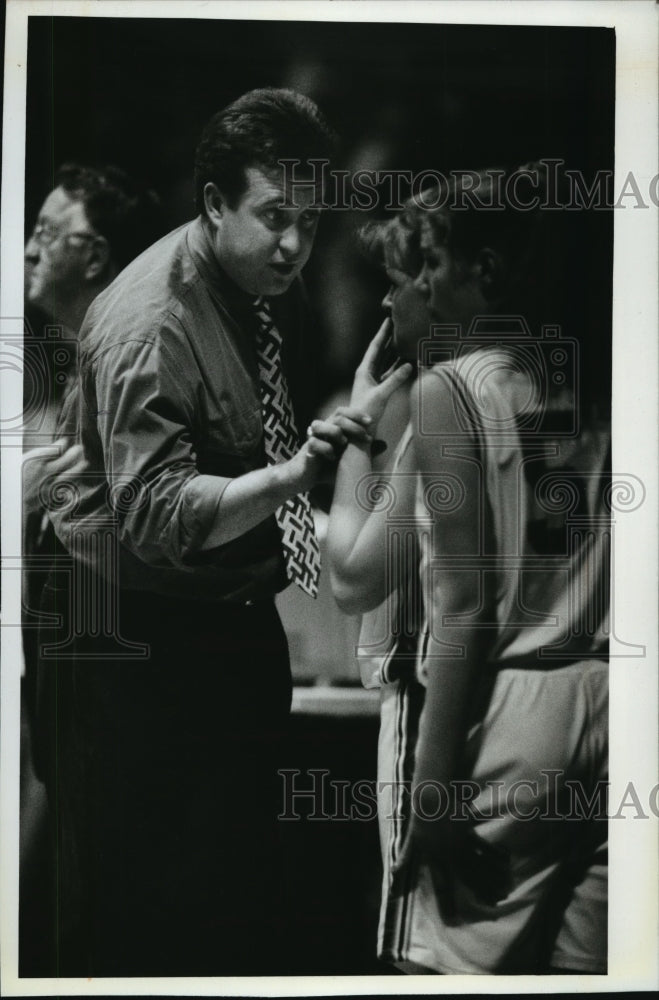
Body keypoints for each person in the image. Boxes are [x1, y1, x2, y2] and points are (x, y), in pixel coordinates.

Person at [45, 88, 373, 977]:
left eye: (308, 221)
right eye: (274, 218)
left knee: (236, 893)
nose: (296, 245)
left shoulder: (268, 284)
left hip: (225, 612)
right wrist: (293, 477)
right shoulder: (151, 323)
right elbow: (154, 519)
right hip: (129, 629)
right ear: (214, 203)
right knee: (136, 907)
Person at [328, 166, 610, 974]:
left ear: (482, 269)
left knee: (433, 974)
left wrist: (357, 427)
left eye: (421, 269)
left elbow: (428, 597)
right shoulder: (591, 373)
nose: (400, 293)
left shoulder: (450, 391)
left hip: (500, 711)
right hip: (606, 698)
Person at [20, 164, 164, 975]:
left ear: (98, 253)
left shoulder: (129, 373)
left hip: (105, 684)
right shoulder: (56, 375)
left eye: (47, 231)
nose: (28, 247)